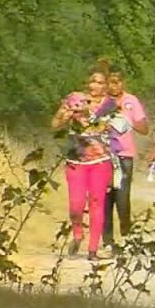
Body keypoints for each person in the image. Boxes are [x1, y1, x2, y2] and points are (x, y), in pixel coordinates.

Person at [50, 66, 121, 261]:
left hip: (100, 160)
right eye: (92, 82)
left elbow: (114, 128)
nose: (95, 86)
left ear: (107, 86)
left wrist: (90, 113)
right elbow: (55, 124)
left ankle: (93, 249)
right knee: (76, 204)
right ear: (86, 83)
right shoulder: (74, 99)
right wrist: (66, 116)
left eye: (100, 83)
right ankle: (78, 233)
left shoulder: (111, 105)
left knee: (97, 202)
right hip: (76, 159)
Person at [103, 69, 148, 249]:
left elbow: (144, 128)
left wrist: (128, 119)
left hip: (124, 154)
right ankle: (107, 240)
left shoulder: (131, 100)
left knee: (122, 197)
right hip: (103, 153)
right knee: (105, 198)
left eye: (118, 81)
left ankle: (126, 235)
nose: (114, 86)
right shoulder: (101, 101)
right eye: (111, 82)